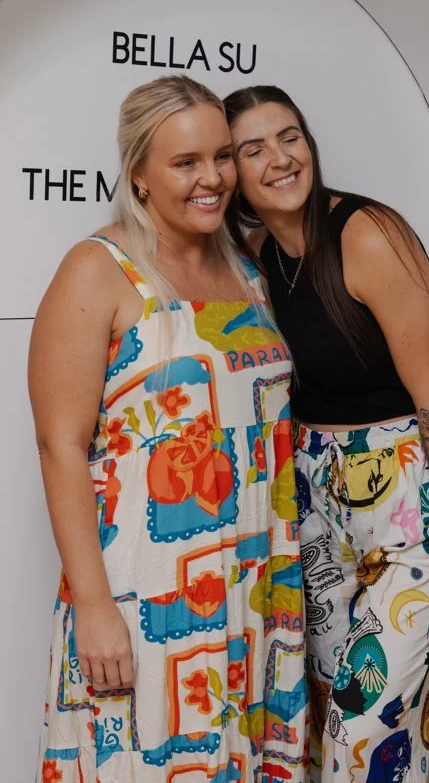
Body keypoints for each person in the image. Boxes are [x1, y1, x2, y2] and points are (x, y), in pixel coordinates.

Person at [29, 75, 307, 782]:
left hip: (255, 588)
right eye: (186, 163)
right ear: (139, 176)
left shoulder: (248, 271)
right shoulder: (99, 271)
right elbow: (59, 446)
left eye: (220, 157)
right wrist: (93, 607)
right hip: (149, 593)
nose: (212, 178)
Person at [223, 85, 429, 783]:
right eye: (254, 149)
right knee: (321, 715)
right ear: (234, 173)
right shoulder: (257, 255)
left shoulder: (369, 234)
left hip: (418, 494)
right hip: (320, 499)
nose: (280, 159)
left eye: (290, 137)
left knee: (364, 723)